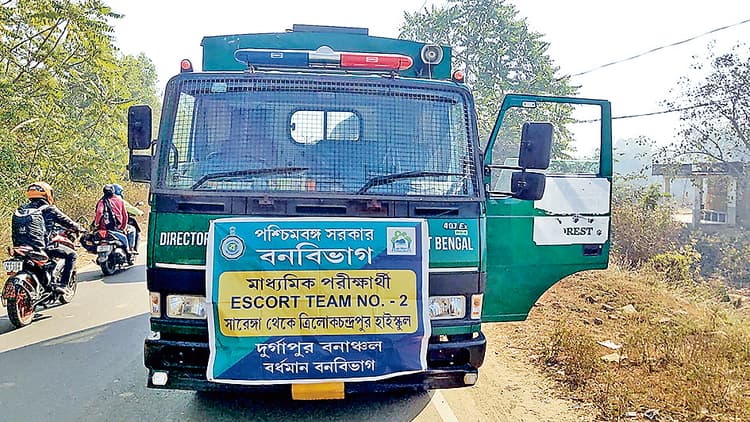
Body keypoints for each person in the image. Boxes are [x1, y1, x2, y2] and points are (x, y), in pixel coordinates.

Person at [11, 181, 84, 294]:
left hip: (21, 247)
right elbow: (68, 222)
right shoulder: (49, 209)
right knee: (72, 255)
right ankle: (64, 285)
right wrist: (80, 228)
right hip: (42, 247)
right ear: (47, 194)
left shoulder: (22, 209)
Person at [112, 184, 144, 253]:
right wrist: (140, 213)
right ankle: (131, 248)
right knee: (132, 229)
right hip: (117, 224)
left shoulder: (103, 200)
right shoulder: (120, 201)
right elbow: (131, 209)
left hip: (106, 225)